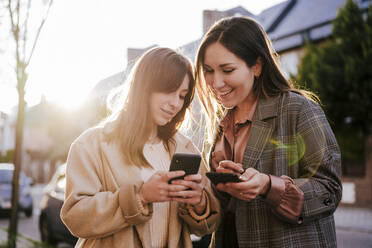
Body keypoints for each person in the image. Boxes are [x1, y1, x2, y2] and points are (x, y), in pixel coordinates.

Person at [194, 16, 342, 247]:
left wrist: (268, 186)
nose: (216, 82)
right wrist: (209, 194)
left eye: (227, 69)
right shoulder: (220, 124)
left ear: (257, 66)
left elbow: (329, 191)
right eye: (209, 70)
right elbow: (222, 208)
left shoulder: (298, 109)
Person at [60, 47, 221, 248]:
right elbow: (76, 218)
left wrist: (199, 203)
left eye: (182, 95)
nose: (175, 104)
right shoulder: (91, 145)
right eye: (169, 91)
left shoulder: (185, 148)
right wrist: (141, 196)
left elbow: (206, 227)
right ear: (144, 87)